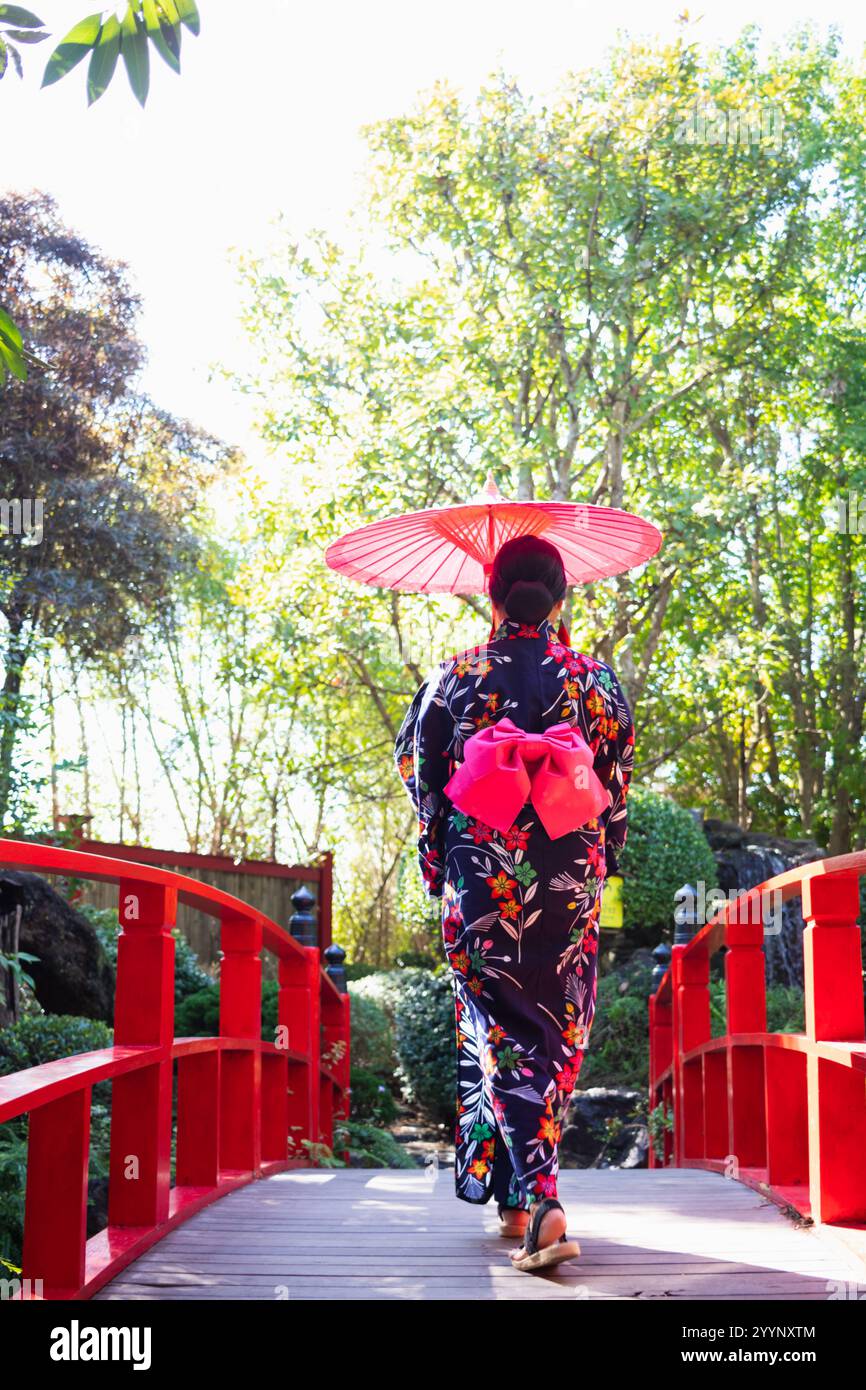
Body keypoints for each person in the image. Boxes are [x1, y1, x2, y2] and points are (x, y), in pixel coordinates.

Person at [393, 533, 633, 1272]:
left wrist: (440, 864)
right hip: (569, 878)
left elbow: (420, 774)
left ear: (493, 598)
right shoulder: (595, 680)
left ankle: (541, 1199)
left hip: (485, 876)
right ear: (560, 598)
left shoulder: (454, 678)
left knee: (499, 1027)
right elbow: (615, 789)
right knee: (554, 1031)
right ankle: (522, 1200)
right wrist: (601, 868)